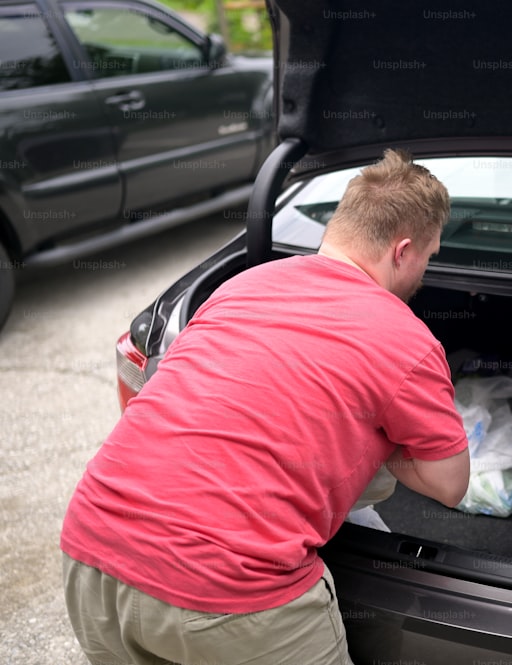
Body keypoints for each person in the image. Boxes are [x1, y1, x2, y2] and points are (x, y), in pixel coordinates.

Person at [61, 149, 471, 665]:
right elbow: (450, 484)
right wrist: (372, 433)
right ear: (403, 250)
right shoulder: (406, 340)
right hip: (227, 591)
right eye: (429, 257)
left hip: (91, 551)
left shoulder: (239, 287)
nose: (424, 274)